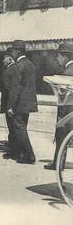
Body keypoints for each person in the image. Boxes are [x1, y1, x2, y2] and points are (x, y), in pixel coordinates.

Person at [44, 42, 73, 170]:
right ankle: (58, 162)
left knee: (62, 136)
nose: (57, 58)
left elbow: (64, 94)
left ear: (65, 57)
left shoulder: (67, 72)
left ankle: (58, 163)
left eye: (59, 56)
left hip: (67, 110)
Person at [7, 40, 37, 164]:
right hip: (28, 102)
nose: (12, 53)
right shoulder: (30, 64)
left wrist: (10, 106)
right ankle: (23, 154)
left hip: (20, 103)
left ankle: (29, 155)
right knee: (22, 127)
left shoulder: (18, 66)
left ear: (18, 51)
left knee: (19, 128)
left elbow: (16, 88)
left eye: (13, 50)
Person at [0, 52, 19, 159]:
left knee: (11, 127)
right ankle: (14, 147)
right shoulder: (15, 68)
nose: (3, 61)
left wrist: (9, 106)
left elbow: (9, 89)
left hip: (9, 102)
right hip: (13, 102)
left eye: (5, 58)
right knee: (13, 127)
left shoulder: (9, 70)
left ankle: (14, 150)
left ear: (10, 59)